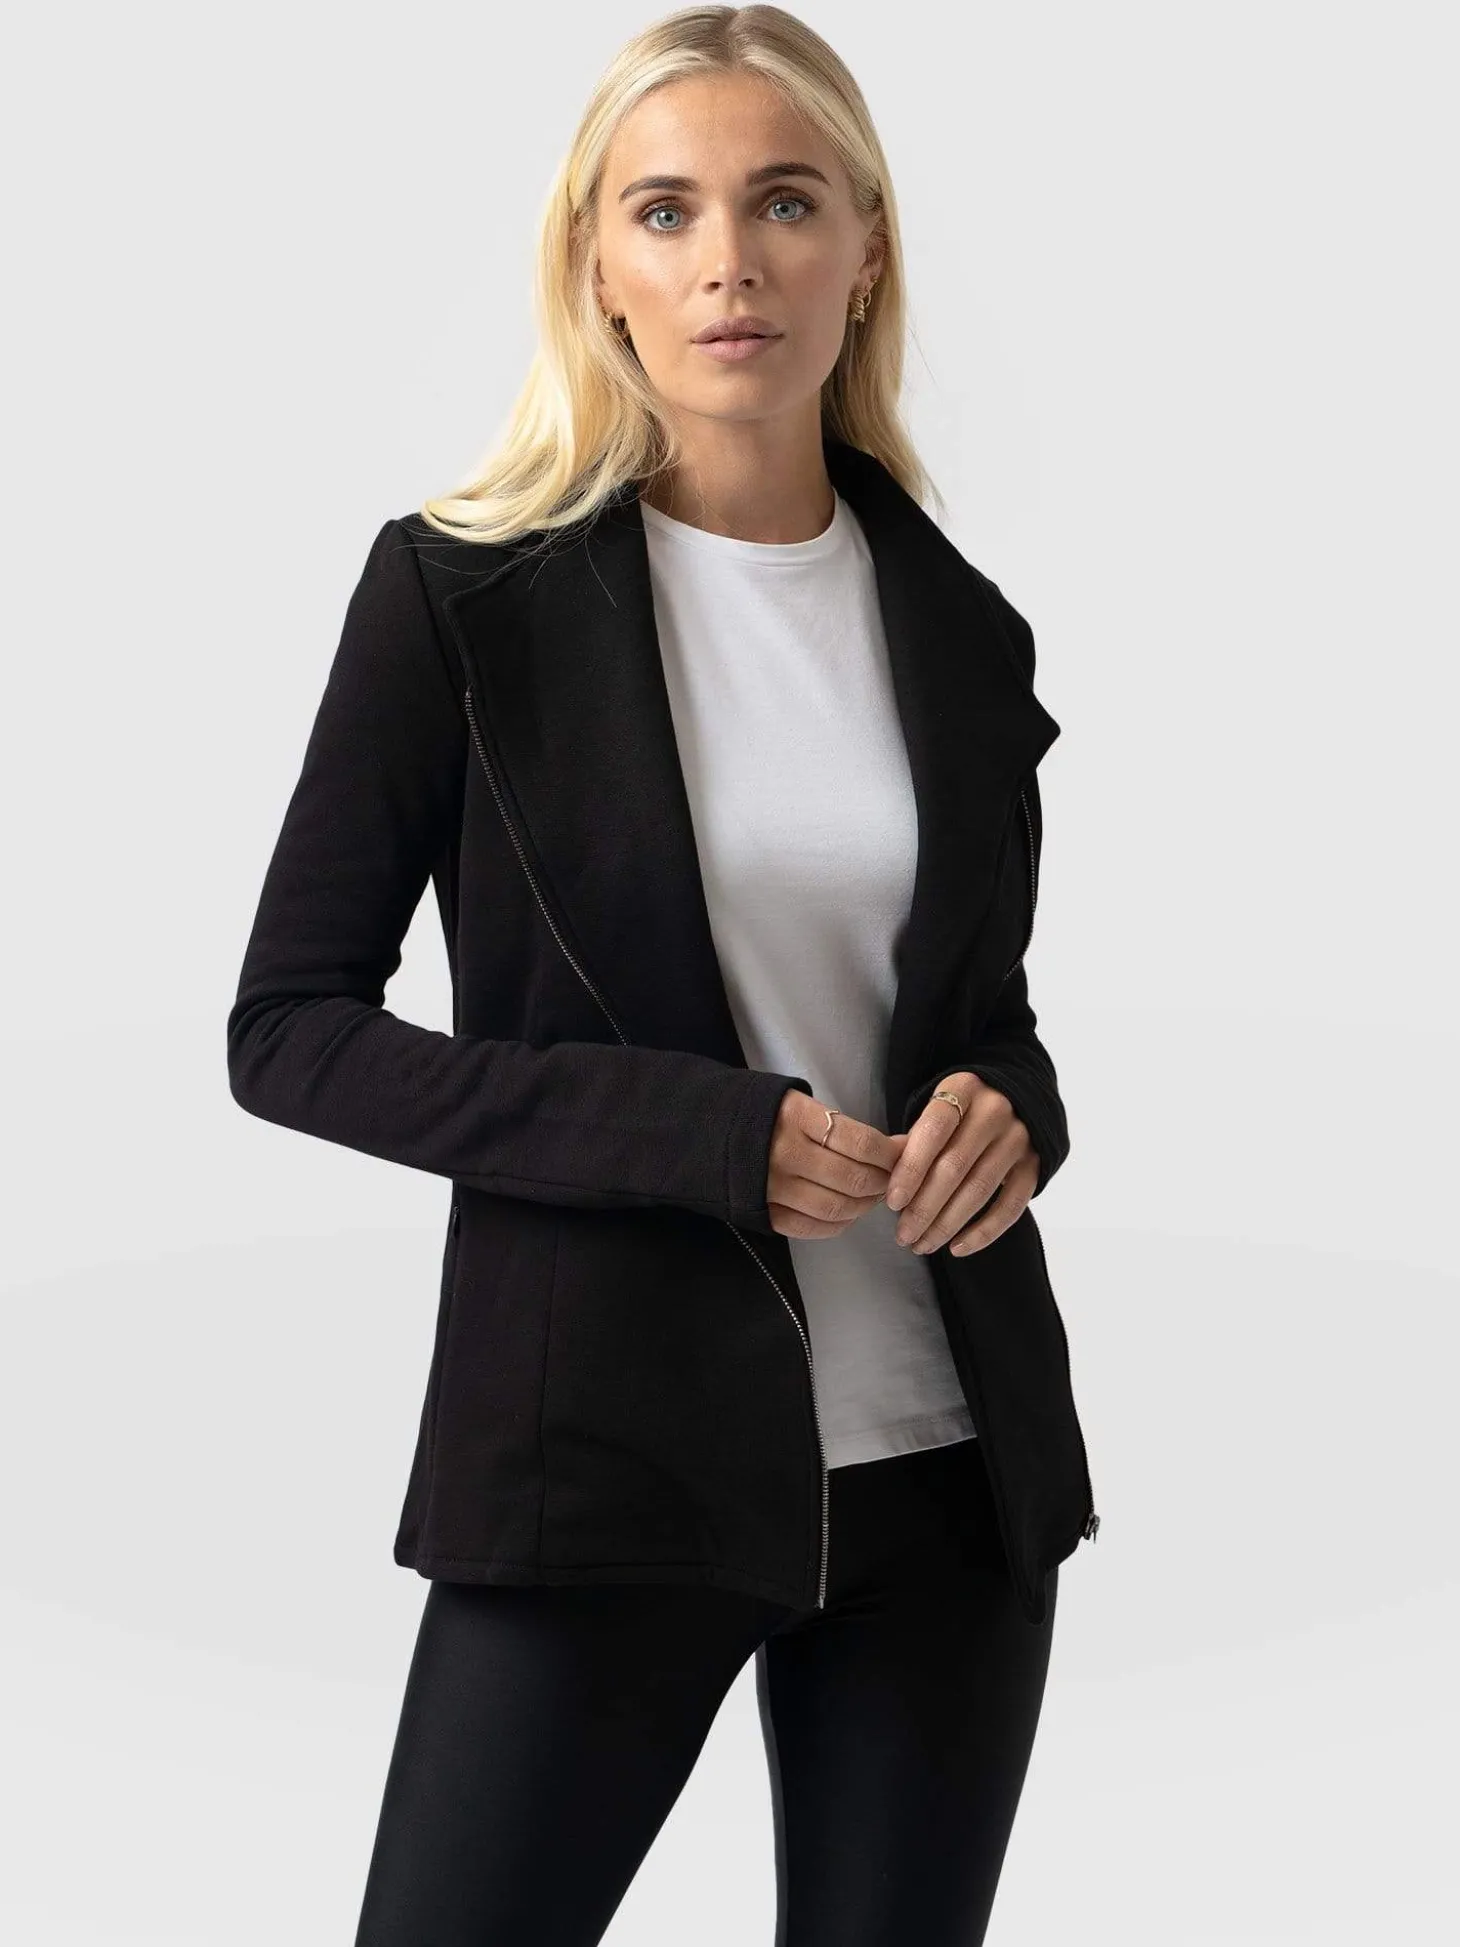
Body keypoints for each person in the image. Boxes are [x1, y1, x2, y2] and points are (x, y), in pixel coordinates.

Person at [226, 7, 1098, 1942]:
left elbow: (986, 1016)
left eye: (785, 203)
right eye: (667, 210)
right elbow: (289, 1032)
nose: (730, 263)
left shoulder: (966, 631)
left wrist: (1014, 1114)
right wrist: (699, 1136)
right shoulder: (464, 598)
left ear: (864, 248)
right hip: (604, 1458)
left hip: (948, 1470)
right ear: (597, 266)